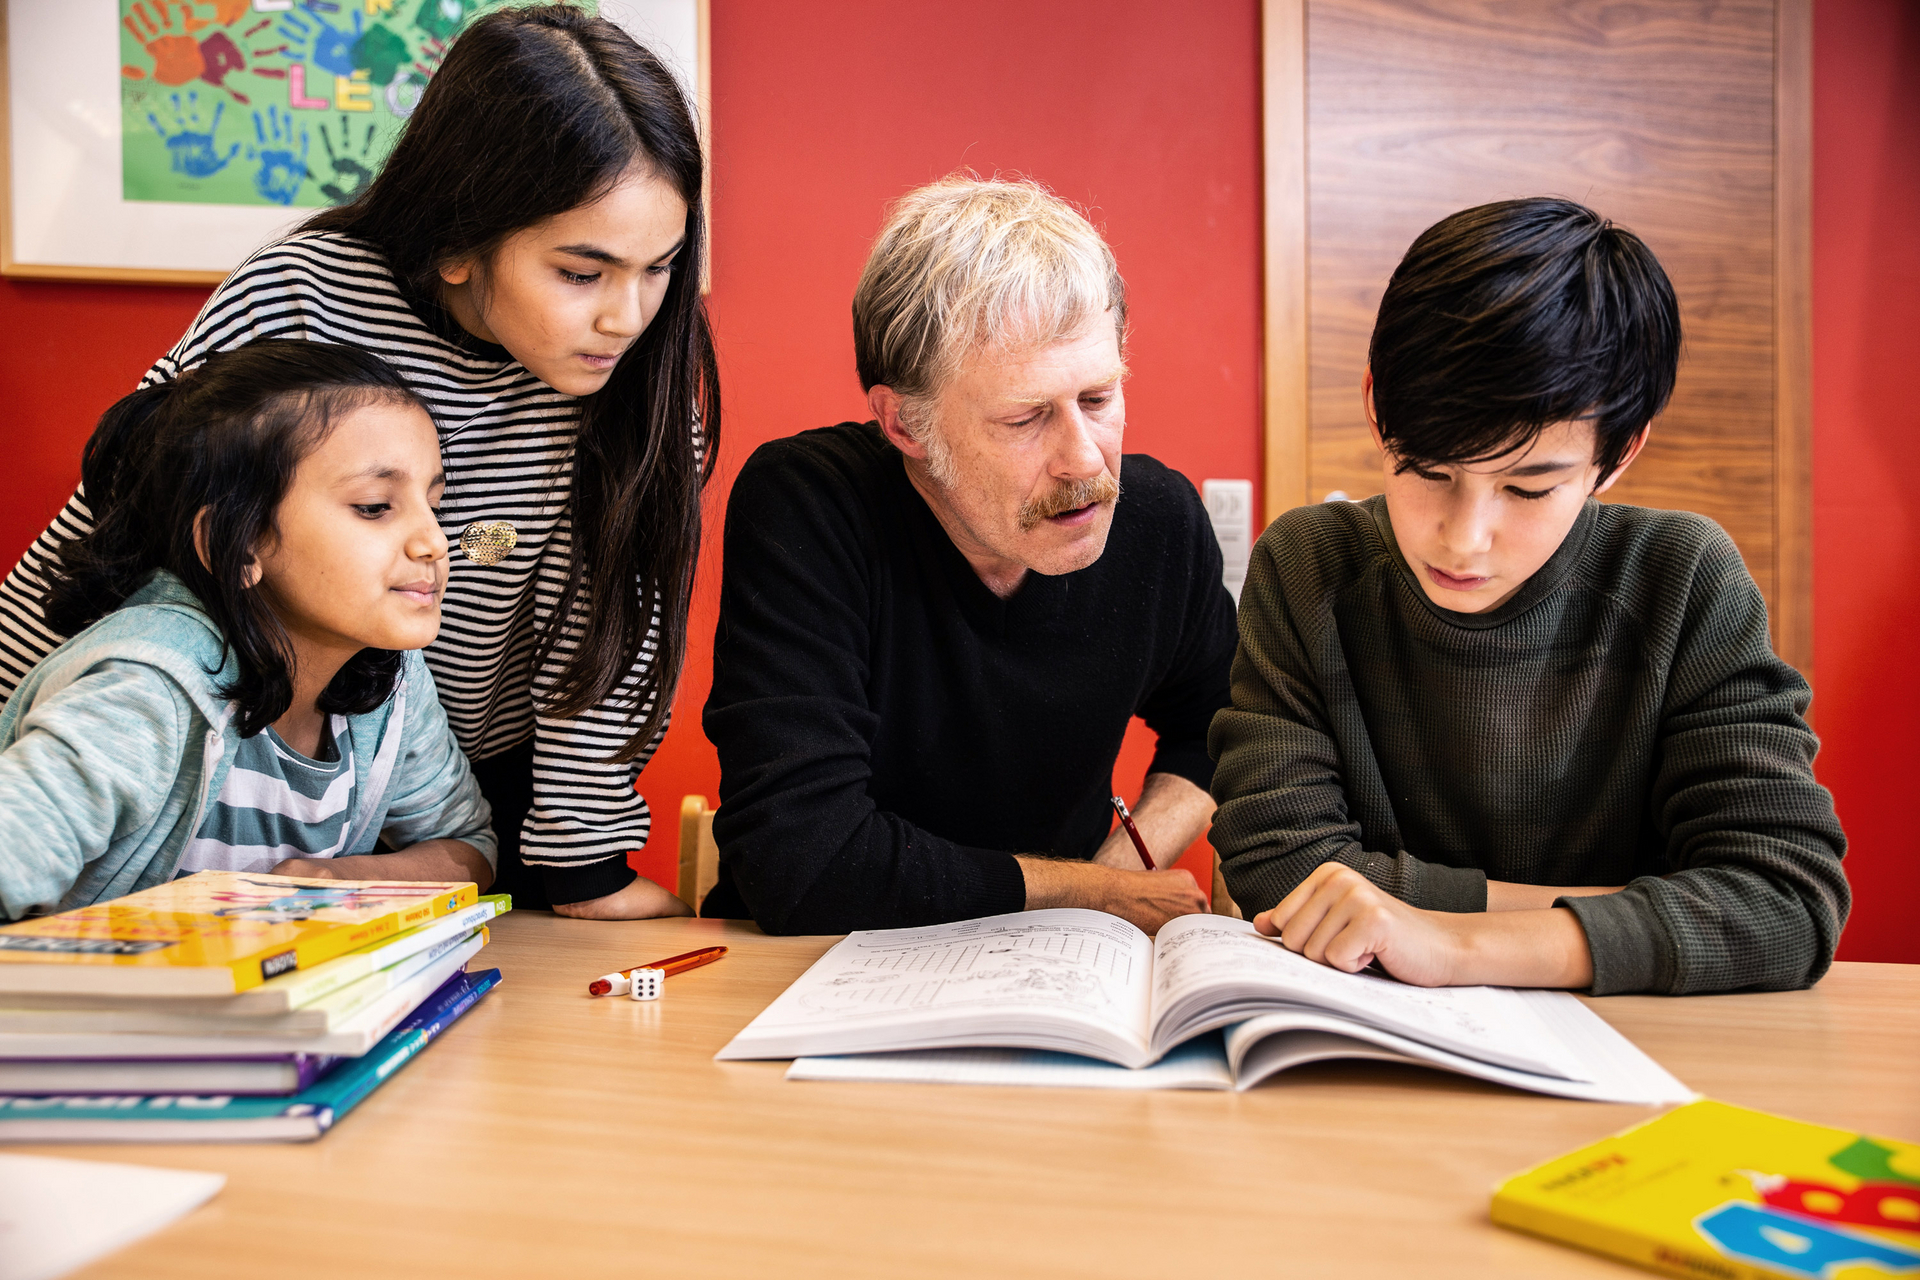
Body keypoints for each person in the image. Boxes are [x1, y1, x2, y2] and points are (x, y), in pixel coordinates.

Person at [0, 6, 714, 919]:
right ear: (458, 243)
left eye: (659, 266)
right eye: (582, 273)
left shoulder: (646, 375)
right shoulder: (298, 296)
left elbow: (608, 630)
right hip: (238, 755)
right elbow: (120, 521)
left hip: (455, 791)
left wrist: (576, 868)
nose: (629, 315)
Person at [1208, 198, 1848, 995]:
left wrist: (1449, 942)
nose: (1462, 537)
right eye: (1428, 471)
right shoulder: (1309, 568)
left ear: (1619, 452)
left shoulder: (1682, 578)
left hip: (1644, 1059)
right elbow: (1281, 868)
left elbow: (1783, 901)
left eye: (1527, 487)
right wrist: (1630, 913)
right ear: (1378, 407)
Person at [700, 177, 1235, 935]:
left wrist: (1119, 869)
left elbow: (1224, 722)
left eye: (1097, 398)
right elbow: (803, 864)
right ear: (905, 426)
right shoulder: (811, 506)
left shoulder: (1158, 521)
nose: (1085, 463)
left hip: (1062, 962)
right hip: (820, 969)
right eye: (1024, 418)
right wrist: (1089, 892)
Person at [0, 341, 495, 920]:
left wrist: (339, 877)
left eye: (434, 502)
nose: (434, 541)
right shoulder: (148, 694)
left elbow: (470, 849)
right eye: (374, 506)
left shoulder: (391, 680)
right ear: (237, 546)